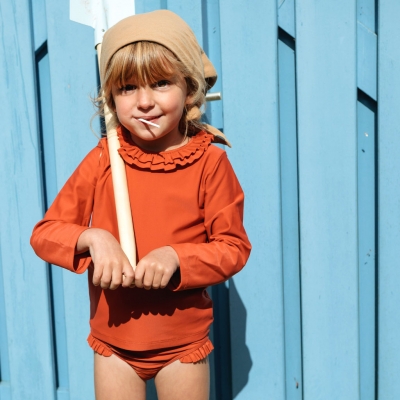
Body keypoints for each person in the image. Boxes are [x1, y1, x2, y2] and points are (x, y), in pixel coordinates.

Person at [31, 9, 251, 400]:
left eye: (162, 83)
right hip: (114, 342)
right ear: (111, 98)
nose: (145, 102)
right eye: (128, 88)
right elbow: (46, 234)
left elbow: (232, 248)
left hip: (181, 343)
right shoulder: (104, 158)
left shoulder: (209, 162)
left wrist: (176, 258)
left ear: (190, 88)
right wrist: (93, 238)